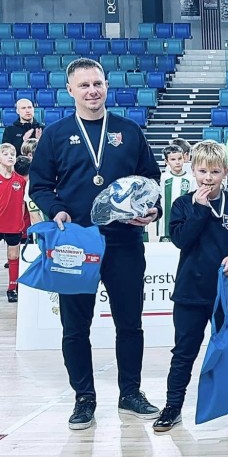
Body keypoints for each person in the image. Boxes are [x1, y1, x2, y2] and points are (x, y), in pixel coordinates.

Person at [30, 57, 162, 431]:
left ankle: (130, 393)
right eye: (84, 85)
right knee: (75, 327)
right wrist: (56, 210)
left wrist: (152, 210)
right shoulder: (55, 134)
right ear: (70, 90)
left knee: (130, 323)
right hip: (75, 244)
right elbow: (40, 185)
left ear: (107, 85)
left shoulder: (129, 131)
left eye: (97, 83)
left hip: (124, 242)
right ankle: (84, 398)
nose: (92, 91)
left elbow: (150, 180)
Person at [152, 140, 228, 433]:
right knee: (184, 352)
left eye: (214, 172)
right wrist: (199, 210)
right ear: (193, 171)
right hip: (190, 293)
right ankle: (173, 406)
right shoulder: (182, 204)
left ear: (225, 172)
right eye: (202, 171)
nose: (208, 178)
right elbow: (181, 240)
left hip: (226, 293)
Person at [0, 143, 27, 302]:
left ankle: (12, 288)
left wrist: (20, 221)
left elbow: (23, 203)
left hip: (13, 225)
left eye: (12, 154)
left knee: (13, 255)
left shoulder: (20, 180)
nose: (10, 156)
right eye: (5, 154)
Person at [154, 145, 196, 242]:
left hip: (184, 221)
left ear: (184, 158)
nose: (177, 162)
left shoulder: (191, 179)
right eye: (173, 159)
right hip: (165, 222)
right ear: (166, 161)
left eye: (179, 158)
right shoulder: (162, 178)